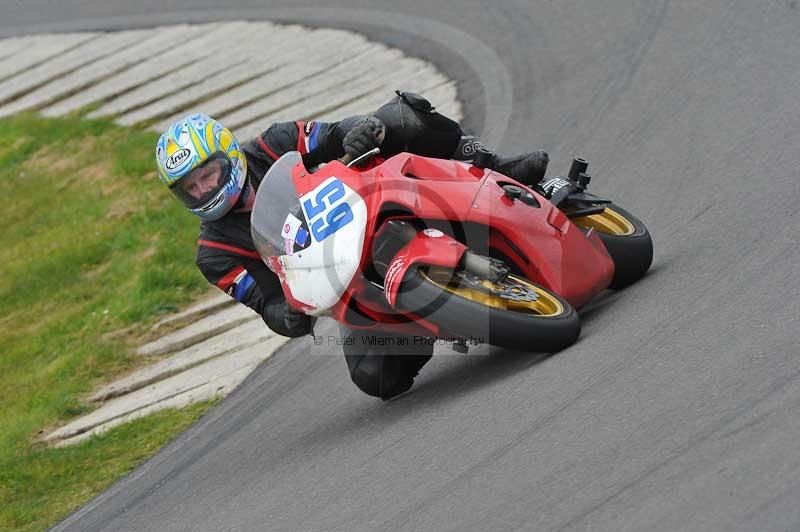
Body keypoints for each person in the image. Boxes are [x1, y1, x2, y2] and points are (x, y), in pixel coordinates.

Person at [155, 91, 549, 400]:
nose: (203, 190)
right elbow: (266, 303)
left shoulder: (273, 143)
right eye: (191, 187)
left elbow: (331, 134)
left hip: (377, 200)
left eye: (207, 175)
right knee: (375, 378)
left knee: (398, 117)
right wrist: (288, 316)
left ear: (228, 155)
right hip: (352, 280)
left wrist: (356, 131)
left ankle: (499, 169)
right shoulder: (216, 254)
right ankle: (433, 317)